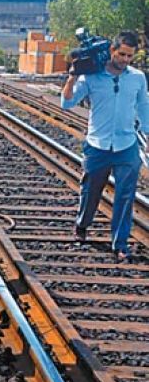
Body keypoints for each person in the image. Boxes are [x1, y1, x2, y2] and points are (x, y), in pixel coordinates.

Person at [61, 30, 149, 261]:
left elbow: (143, 108)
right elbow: (67, 103)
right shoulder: (91, 76)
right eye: (121, 54)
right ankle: (82, 225)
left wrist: (148, 137)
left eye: (130, 56)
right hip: (97, 144)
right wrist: (72, 75)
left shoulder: (137, 78)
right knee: (90, 191)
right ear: (112, 50)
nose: (125, 60)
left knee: (126, 195)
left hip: (126, 145)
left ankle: (120, 244)